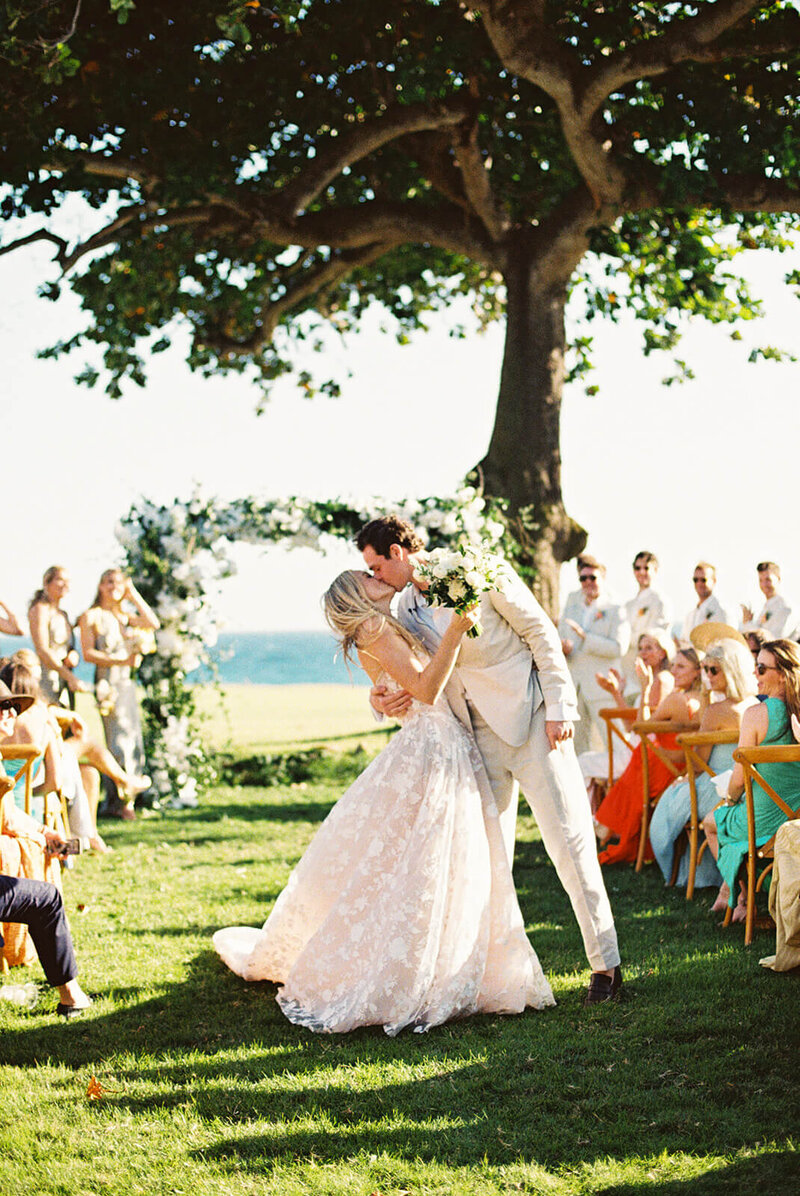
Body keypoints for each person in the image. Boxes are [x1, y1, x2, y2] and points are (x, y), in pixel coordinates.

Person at [213, 570, 555, 1035]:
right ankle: (415, 972)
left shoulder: (379, 626)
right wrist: (457, 629)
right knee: (424, 860)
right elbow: (427, 689)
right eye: (366, 577)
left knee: (418, 860)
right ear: (358, 594)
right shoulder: (374, 628)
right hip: (432, 745)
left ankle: (435, 963)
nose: (376, 578)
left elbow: (405, 686)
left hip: (435, 739)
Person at [357, 517, 622, 1005]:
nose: (373, 579)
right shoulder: (401, 609)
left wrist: (561, 708)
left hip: (533, 723)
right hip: (470, 741)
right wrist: (380, 701)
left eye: (375, 567)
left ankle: (606, 967)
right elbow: (403, 673)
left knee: (569, 843)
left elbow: (541, 634)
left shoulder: (481, 569)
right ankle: (495, 980)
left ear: (397, 552)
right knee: (487, 861)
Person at [649, 636, 758, 889]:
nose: (707, 674)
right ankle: (709, 877)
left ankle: (682, 876)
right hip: (748, 786)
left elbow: (698, 763)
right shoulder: (755, 705)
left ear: (730, 671)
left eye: (713, 669)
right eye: (705, 668)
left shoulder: (716, 711)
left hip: (717, 785)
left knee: (669, 800)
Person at [704, 639, 800, 920]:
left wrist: (730, 800)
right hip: (794, 820)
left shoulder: (756, 715)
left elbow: (737, 779)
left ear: (782, 674)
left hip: (762, 821)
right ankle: (740, 896)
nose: (754, 674)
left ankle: (744, 899)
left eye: (761, 668)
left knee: (711, 822)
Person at [594, 647, 703, 865]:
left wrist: (645, 687)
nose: (674, 671)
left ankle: (603, 830)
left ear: (697, 672)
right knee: (637, 760)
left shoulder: (676, 699)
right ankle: (605, 829)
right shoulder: (703, 699)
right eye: (674, 665)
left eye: (681, 666)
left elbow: (641, 727)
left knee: (638, 760)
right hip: (684, 767)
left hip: (666, 766)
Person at [79, 570, 159, 818]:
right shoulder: (91, 616)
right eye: (109, 582)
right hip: (108, 682)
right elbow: (88, 654)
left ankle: (130, 799)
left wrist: (132, 593)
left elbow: (153, 622)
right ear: (101, 585)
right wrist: (122, 661)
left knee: (132, 739)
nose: (114, 587)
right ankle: (119, 801)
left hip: (126, 683)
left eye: (119, 583)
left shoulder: (123, 616)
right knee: (118, 740)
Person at [581, 629, 675, 790]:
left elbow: (644, 727)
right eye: (640, 648)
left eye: (649, 648)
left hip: (643, 754)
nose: (642, 653)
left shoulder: (661, 679)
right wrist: (616, 693)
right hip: (634, 748)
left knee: (582, 763)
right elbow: (630, 726)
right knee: (585, 761)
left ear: (662, 653)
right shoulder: (650, 680)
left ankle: (584, 815)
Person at [558, 558, 629, 755]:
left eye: (593, 577)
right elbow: (561, 631)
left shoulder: (615, 607)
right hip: (574, 686)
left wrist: (585, 638)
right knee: (576, 748)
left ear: (603, 577)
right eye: (583, 578)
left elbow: (618, 647)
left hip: (602, 686)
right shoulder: (572, 601)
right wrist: (563, 645)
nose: (588, 582)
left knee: (615, 746)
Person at [28, 566, 89, 709]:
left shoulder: (64, 614)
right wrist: (70, 677)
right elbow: (42, 650)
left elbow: (68, 645)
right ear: (47, 582)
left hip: (63, 680)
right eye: (60, 579)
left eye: (67, 581)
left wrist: (73, 654)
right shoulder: (40, 609)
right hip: (46, 679)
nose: (65, 585)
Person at [621, 552, 670, 692]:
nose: (641, 572)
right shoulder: (629, 604)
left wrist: (624, 640)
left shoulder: (660, 600)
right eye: (637, 568)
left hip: (648, 671)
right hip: (627, 669)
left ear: (655, 570)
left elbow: (657, 636)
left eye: (646, 568)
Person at [740, 561, 799, 640]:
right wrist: (749, 622)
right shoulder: (767, 607)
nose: (764, 584)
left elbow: (774, 639)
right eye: (761, 580)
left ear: (778, 579)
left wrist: (748, 624)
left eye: (768, 579)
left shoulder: (785, 608)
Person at [680, 562, 729, 644]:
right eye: (695, 580)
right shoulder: (691, 614)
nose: (699, 584)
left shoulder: (721, 611)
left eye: (703, 580)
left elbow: (726, 643)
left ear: (714, 581)